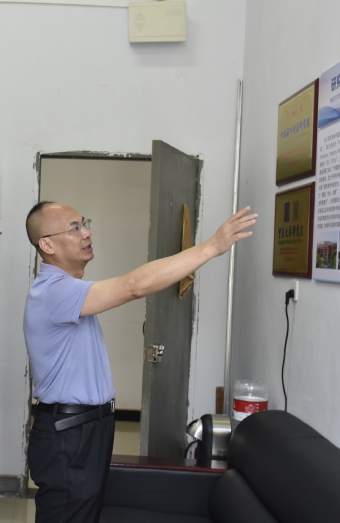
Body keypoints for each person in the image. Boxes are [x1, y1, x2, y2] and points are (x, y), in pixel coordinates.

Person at [23, 201, 257, 523]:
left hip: (85, 428)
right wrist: (211, 247)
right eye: (74, 228)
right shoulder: (54, 292)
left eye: (84, 223)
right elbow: (135, 286)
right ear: (47, 245)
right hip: (70, 434)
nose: (86, 233)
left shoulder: (69, 290)